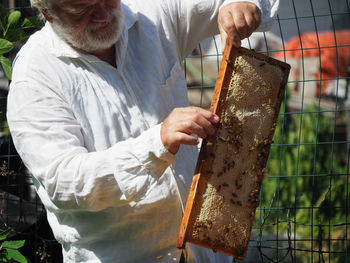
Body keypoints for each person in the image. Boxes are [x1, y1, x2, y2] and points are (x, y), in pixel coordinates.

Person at [7, 0, 279, 262]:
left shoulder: (149, 12)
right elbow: (63, 181)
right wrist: (155, 145)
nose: (102, 14)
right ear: (48, 13)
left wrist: (240, 5)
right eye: (83, 9)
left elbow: (234, 4)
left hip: (207, 250)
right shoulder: (34, 77)